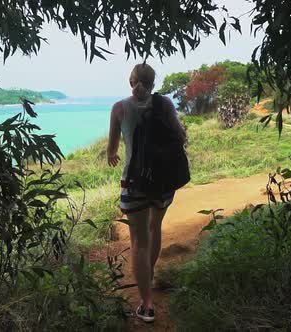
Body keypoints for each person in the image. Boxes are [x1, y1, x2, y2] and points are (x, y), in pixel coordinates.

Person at [106, 63, 186, 323]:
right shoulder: (165, 105)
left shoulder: (119, 108)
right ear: (153, 82)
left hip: (135, 183)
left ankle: (146, 304)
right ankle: (147, 276)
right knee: (156, 228)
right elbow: (181, 136)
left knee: (139, 241)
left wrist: (114, 154)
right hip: (163, 182)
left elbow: (112, 148)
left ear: (131, 81)